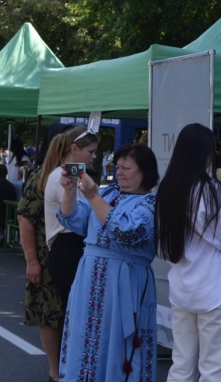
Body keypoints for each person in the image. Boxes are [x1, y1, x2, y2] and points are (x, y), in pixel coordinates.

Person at [155, 124, 221, 382]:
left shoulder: (167, 190)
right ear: (206, 153)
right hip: (214, 289)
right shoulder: (211, 190)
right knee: (213, 370)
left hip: (182, 287)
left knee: (181, 366)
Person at [57, 143, 160, 382]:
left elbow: (126, 233)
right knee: (84, 337)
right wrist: (70, 191)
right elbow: (72, 219)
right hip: (90, 279)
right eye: (118, 167)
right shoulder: (109, 193)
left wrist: (92, 195)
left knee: (117, 342)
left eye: (127, 168)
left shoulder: (150, 204)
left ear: (145, 172)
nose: (119, 172)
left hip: (123, 281)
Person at [17, 122, 69, 382]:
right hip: (46, 256)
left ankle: (64, 367)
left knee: (60, 313)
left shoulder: (73, 174)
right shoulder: (43, 176)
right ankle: (55, 371)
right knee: (49, 313)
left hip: (64, 255)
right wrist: (32, 261)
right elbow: (25, 218)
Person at [43, 126, 99, 319]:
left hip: (71, 245)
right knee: (73, 313)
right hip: (67, 245)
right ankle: (65, 350)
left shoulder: (72, 175)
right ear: (74, 149)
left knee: (76, 312)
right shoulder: (61, 177)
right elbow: (78, 217)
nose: (94, 157)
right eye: (90, 151)